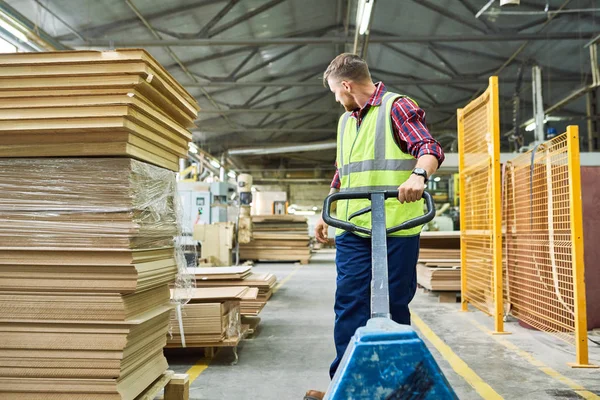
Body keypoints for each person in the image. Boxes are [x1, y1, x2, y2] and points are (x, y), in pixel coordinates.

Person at [304, 53, 444, 400]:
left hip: (396, 226)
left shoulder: (396, 107)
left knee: (393, 305)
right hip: (353, 228)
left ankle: (396, 387)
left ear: (347, 86)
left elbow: (429, 148)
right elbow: (343, 170)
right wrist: (326, 208)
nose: (336, 98)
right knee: (350, 302)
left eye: (336, 92)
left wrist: (419, 175)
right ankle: (346, 385)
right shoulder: (346, 122)